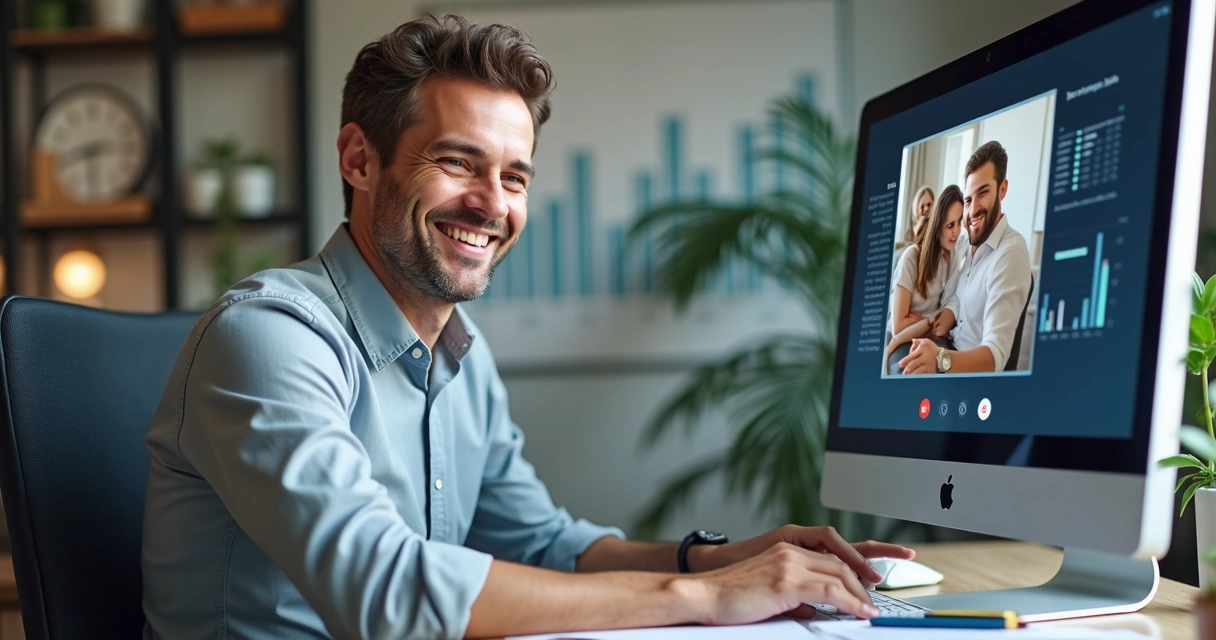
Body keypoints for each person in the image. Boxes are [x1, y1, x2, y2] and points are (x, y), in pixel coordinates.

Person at [140, 14, 914, 640]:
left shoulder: (461, 357)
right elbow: (385, 592)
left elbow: (543, 545)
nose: (492, 204)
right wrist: (705, 598)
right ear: (359, 159)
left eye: (514, 176)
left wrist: (720, 560)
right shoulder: (270, 336)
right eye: (458, 162)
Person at [897, 140, 1032, 375]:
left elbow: (994, 358)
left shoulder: (1010, 253)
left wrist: (939, 360)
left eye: (983, 193)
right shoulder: (970, 244)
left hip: (965, 373)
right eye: (969, 200)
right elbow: (960, 295)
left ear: (1002, 189)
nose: (973, 209)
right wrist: (949, 313)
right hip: (949, 345)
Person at [885, 185, 963, 374]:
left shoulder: (953, 256)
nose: (957, 231)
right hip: (903, 336)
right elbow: (898, 328)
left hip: (927, 335)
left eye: (959, 222)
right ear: (937, 226)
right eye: (950, 225)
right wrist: (929, 321)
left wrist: (925, 320)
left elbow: (946, 311)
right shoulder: (911, 258)